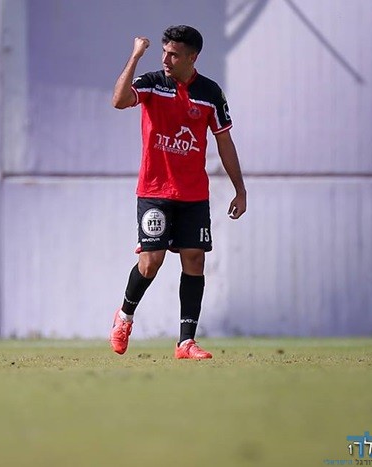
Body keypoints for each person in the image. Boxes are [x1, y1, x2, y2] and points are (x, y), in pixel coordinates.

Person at [110, 25, 247, 359]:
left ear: (192, 57)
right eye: (164, 52)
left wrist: (240, 190)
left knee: (195, 259)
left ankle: (186, 342)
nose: (165, 59)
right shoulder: (153, 83)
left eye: (173, 54)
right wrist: (135, 56)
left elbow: (224, 141)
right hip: (155, 190)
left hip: (193, 194)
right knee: (150, 263)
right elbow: (119, 100)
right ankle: (124, 317)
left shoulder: (210, 93)